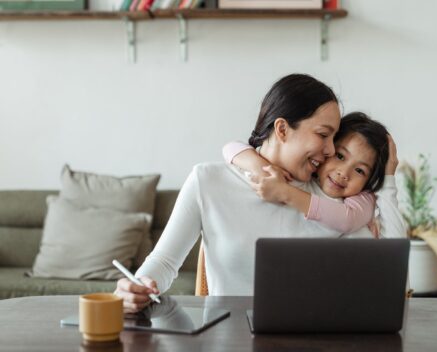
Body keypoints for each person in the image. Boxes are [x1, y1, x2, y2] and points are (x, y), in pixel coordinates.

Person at [115, 74, 405, 313]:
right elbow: (165, 262)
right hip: (228, 341)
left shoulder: (335, 200)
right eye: (322, 134)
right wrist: (138, 285)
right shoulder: (209, 181)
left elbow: (390, 274)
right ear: (282, 129)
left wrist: (389, 180)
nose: (330, 151)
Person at [223, 112, 397, 235]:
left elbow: (347, 219)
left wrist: (285, 192)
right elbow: (231, 147)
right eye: (340, 155)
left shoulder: (364, 199)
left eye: (360, 170)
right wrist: (262, 169)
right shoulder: (302, 176)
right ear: (327, 150)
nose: (344, 173)